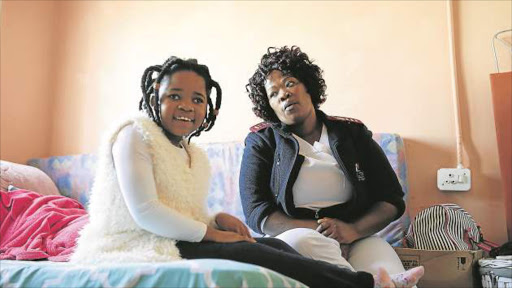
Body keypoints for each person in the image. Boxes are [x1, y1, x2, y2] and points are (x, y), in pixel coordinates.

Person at [71, 56, 423, 288]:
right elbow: (147, 211)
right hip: (138, 242)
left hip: (173, 237)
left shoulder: (188, 151)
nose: (186, 107)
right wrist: (215, 235)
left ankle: (377, 279)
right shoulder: (134, 133)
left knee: (271, 249)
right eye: (175, 95)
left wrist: (217, 219)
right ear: (154, 95)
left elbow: (176, 207)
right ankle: (368, 284)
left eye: (197, 100)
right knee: (262, 249)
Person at [241, 46, 419, 279]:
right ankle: (364, 284)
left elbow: (391, 199)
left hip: (357, 235)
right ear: (270, 107)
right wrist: (323, 232)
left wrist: (352, 231)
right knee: (306, 242)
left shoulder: (352, 133)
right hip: (296, 236)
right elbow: (257, 212)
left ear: (307, 86)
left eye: (290, 83)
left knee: (385, 269)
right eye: (273, 94)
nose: (283, 94)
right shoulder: (261, 142)